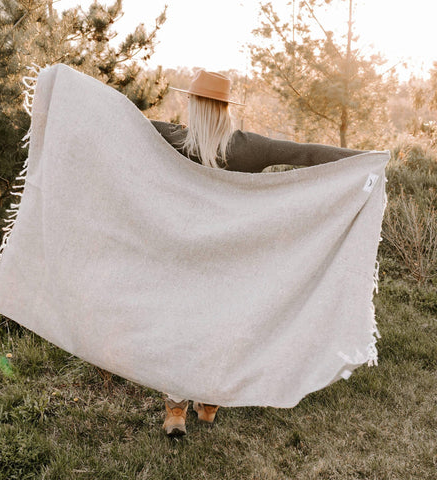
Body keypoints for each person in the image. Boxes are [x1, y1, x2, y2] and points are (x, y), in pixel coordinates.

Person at [150, 69, 364, 437]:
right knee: (223, 325)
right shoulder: (249, 147)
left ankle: (176, 409)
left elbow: (120, 121)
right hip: (236, 255)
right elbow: (306, 153)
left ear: (194, 105)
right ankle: (210, 402)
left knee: (181, 327)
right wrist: (366, 158)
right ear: (226, 108)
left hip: (186, 251)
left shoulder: (175, 139)